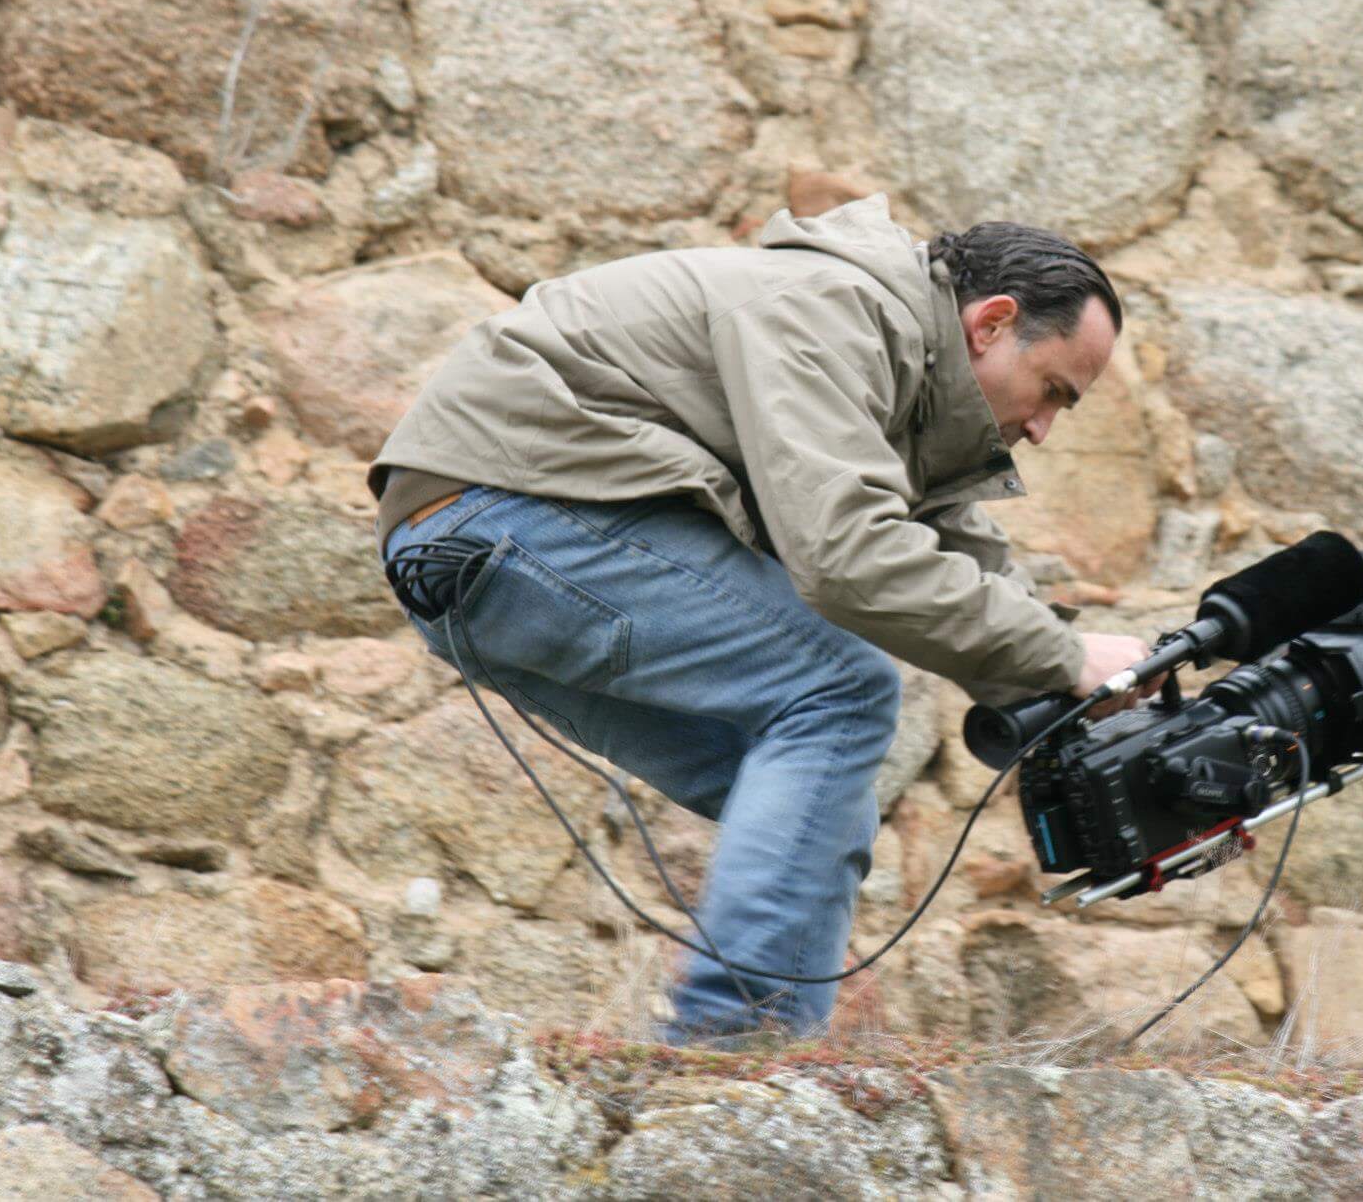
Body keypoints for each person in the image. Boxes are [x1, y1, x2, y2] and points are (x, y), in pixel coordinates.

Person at [368, 194, 1155, 1042]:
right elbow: (848, 558)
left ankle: (777, 1051)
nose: (1042, 428)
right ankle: (730, 1037)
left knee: (828, 803)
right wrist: (1064, 654)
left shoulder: (904, 382)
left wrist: (1101, 705)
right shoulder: (830, 312)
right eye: (1051, 392)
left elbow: (955, 555)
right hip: (502, 513)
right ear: (992, 324)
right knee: (842, 690)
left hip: (475, 553)